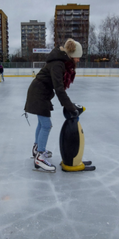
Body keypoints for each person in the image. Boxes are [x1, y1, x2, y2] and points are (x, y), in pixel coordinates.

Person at [24, 38, 82, 172]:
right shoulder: (58, 64)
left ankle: (37, 149)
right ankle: (40, 157)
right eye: (78, 57)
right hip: (39, 95)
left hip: (39, 93)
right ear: (72, 56)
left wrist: (69, 105)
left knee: (41, 124)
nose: (78, 60)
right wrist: (71, 108)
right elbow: (59, 89)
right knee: (46, 125)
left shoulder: (60, 62)